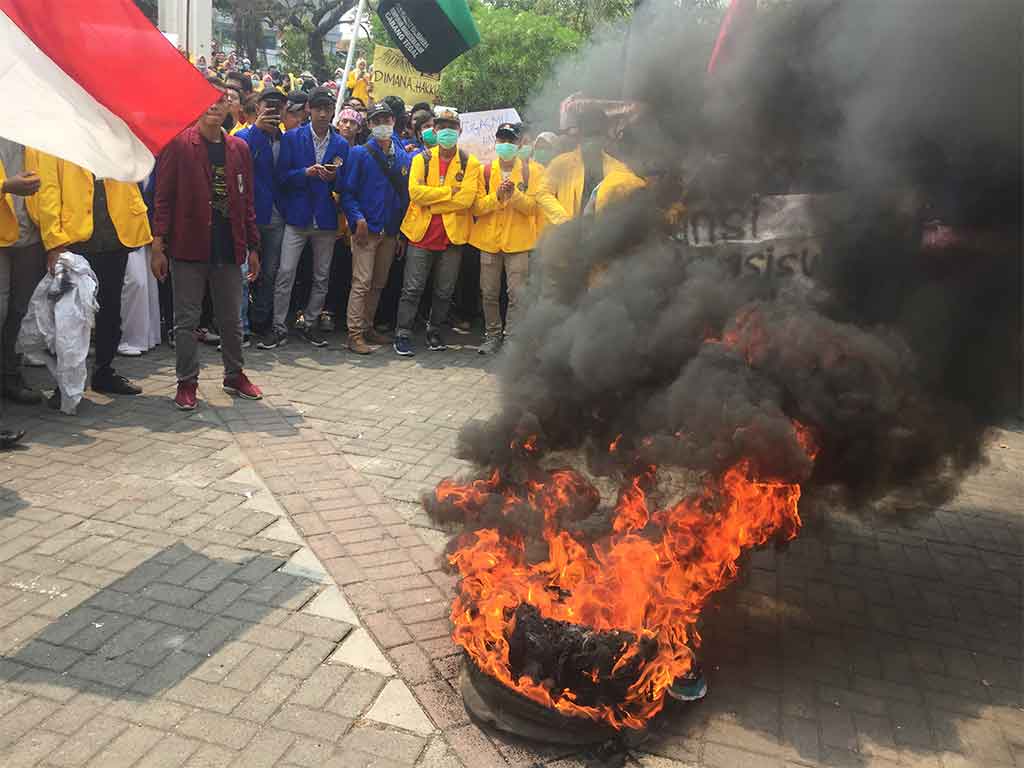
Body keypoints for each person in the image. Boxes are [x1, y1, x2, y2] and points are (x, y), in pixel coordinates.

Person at [152, 77, 262, 411]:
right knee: (186, 319)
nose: (214, 105)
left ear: (231, 105)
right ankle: (187, 381)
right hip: (189, 244)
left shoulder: (239, 148)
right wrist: (159, 245)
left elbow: (246, 202)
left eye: (221, 99)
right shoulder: (179, 145)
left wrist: (253, 246)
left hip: (229, 244)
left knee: (231, 317)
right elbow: (163, 198)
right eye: (207, 100)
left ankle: (234, 373)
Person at [32, 151, 153, 404]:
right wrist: (54, 242)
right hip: (73, 242)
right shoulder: (58, 137)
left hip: (114, 236)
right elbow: (48, 191)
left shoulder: (109, 130)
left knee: (110, 310)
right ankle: (63, 383)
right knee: (67, 318)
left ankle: (104, 372)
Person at [259, 86, 347, 349]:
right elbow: (281, 178)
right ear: (308, 109)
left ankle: (310, 323)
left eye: (327, 108)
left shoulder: (341, 143)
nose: (322, 113)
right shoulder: (292, 138)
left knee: (322, 276)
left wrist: (335, 178)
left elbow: (346, 182)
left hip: (326, 218)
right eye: (318, 108)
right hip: (297, 217)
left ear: (333, 111)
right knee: (285, 273)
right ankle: (278, 326)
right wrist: (304, 173)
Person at [393, 106, 479, 356]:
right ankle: (403, 332)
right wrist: (448, 193)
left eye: (451, 128)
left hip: (452, 237)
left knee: (444, 291)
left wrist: (434, 200)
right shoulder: (421, 159)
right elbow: (415, 194)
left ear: (459, 131)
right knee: (412, 288)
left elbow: (466, 200)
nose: (446, 132)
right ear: (434, 130)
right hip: (421, 234)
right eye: (441, 127)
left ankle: (434, 330)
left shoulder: (469, 162)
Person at [469, 123, 548, 355]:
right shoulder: (484, 171)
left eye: (510, 141)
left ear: (519, 143)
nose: (505, 145)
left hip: (519, 243)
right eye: (501, 140)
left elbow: (533, 207)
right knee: (489, 292)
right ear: (495, 142)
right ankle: (492, 335)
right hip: (489, 242)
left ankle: (512, 337)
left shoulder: (533, 171)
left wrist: (514, 195)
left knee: (517, 293)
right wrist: (497, 196)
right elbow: (476, 208)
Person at [339, 104, 412, 354]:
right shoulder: (360, 153)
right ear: (369, 125)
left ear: (394, 121)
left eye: (387, 119)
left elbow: (405, 198)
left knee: (379, 283)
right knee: (362, 282)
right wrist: (357, 219)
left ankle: (368, 326)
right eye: (377, 120)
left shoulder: (403, 157)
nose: (383, 124)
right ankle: (354, 334)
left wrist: (401, 232)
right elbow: (347, 193)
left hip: (390, 231)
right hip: (365, 230)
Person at [237, 88, 288, 340]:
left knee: (270, 273)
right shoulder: (244, 137)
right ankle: (241, 327)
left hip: (277, 216)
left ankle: (259, 320)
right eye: (268, 105)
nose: (273, 110)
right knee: (244, 274)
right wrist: (257, 129)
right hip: (249, 215)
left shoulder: (285, 139)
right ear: (257, 107)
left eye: (278, 106)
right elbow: (242, 162)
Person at [536, 109, 644, 225]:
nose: (592, 141)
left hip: (600, 236)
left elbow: (633, 194)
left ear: (604, 138)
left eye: (597, 135)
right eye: (588, 136)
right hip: (567, 236)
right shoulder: (561, 163)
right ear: (579, 137)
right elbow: (543, 193)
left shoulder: (618, 168)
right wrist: (563, 220)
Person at [0, 139, 45, 405]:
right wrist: (5, 186)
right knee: (1, 310)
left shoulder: (33, 127)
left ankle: (9, 375)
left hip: (31, 233)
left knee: (19, 310)